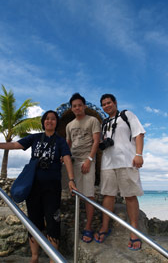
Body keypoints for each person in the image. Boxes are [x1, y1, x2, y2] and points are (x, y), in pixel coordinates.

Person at [0, 110, 77, 263]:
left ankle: (53, 259)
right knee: (34, 221)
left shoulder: (60, 141)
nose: (50, 121)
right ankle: (34, 257)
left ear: (56, 123)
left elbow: (67, 158)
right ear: (43, 122)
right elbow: (15, 145)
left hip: (52, 188)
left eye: (53, 119)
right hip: (34, 187)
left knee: (53, 222)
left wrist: (71, 179)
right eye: (47, 119)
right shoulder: (34, 138)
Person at [94, 93, 145, 250]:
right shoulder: (104, 123)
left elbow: (139, 134)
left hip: (127, 161)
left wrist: (138, 154)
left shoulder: (126, 115)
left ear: (115, 103)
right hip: (108, 163)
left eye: (109, 103)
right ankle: (104, 226)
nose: (106, 106)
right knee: (108, 195)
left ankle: (134, 230)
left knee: (129, 195)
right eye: (104, 104)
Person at [65, 93, 101, 243]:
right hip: (73, 161)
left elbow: (96, 141)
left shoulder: (92, 120)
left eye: (80, 105)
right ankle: (76, 224)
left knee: (89, 195)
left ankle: (88, 227)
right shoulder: (69, 125)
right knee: (76, 193)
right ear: (71, 108)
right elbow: (68, 144)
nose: (77, 108)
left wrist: (90, 159)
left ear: (84, 106)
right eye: (74, 106)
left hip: (87, 160)